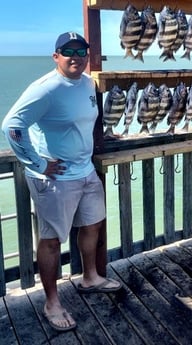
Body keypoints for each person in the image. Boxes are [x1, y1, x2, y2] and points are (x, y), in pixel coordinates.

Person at [1, 32, 122, 332]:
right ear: (56, 56)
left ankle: (90, 277)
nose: (75, 56)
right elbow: (12, 126)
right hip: (54, 181)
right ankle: (51, 301)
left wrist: (101, 137)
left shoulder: (89, 84)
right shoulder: (46, 88)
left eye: (81, 50)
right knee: (52, 241)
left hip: (85, 172)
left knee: (93, 225)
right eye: (67, 51)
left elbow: (89, 118)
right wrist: (39, 163)